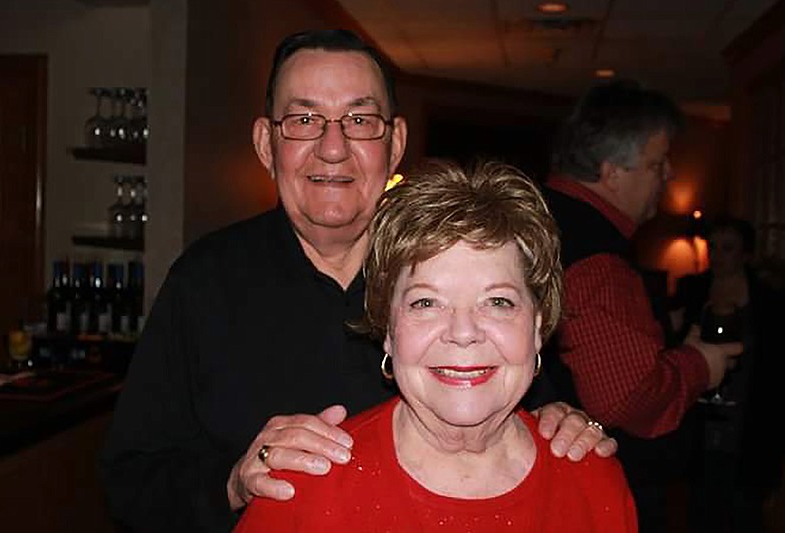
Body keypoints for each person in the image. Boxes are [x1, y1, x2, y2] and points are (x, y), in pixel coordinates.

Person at [99, 29, 617, 533]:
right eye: (304, 119)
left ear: (395, 144)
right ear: (265, 143)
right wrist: (233, 482)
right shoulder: (204, 281)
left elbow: (527, 399)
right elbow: (130, 481)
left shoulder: (452, 269)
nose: (332, 147)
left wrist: (567, 423)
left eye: (360, 120)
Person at [234, 160, 638, 532]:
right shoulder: (302, 490)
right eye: (426, 303)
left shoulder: (592, 482)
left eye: (497, 302)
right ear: (388, 329)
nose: (463, 332)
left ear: (536, 327)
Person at [536, 79, 744, 533]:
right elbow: (628, 400)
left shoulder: (539, 215)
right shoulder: (597, 257)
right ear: (613, 173)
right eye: (657, 163)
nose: (668, 175)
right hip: (598, 491)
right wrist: (700, 365)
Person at [670, 215, 785, 533]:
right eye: (714, 247)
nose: (718, 256)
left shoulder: (769, 300)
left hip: (750, 423)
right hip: (699, 424)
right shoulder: (692, 290)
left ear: (746, 253)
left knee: (745, 513)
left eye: (728, 248)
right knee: (700, 510)